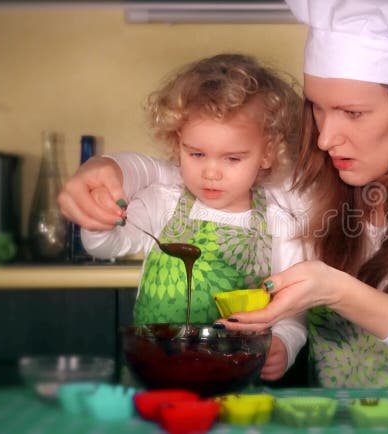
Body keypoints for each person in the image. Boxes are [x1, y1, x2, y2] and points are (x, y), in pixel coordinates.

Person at [59, 0, 388, 388]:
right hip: (336, 417)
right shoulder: (315, 160)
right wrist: (111, 169)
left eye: (353, 113)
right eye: (317, 109)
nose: (326, 137)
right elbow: (195, 173)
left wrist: (338, 291)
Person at [60, 54, 307, 381]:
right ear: (177, 144)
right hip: (153, 378)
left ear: (267, 154)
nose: (211, 172)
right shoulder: (162, 204)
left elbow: (293, 308)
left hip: (232, 382)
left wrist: (285, 343)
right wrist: (98, 219)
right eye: (196, 154)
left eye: (232, 158)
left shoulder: (278, 225)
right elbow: (106, 247)